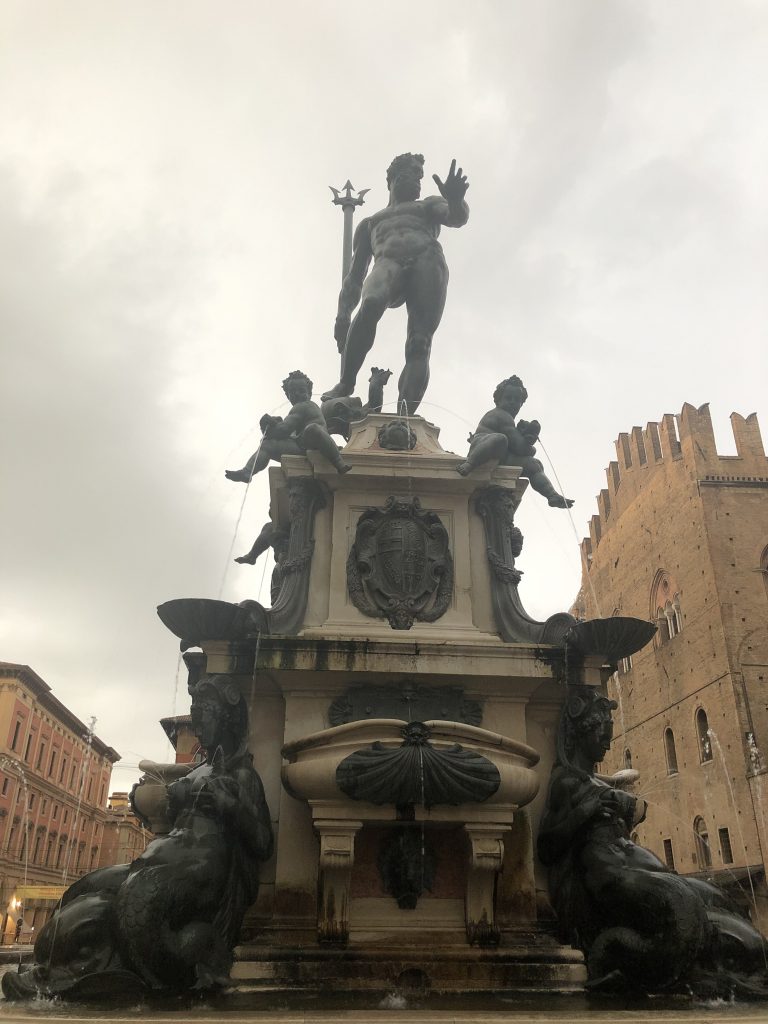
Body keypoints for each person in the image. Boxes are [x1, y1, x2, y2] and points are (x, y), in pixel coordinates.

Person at [2, 674, 273, 1000]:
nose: (198, 727)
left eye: (205, 717)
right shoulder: (200, 770)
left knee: (135, 902)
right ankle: (53, 966)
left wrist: (229, 805)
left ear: (226, 718)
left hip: (198, 873)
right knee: (85, 888)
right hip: (156, 863)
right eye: (195, 716)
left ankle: (81, 975)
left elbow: (263, 842)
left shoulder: (242, 773)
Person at [322, 153, 469, 415]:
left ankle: (405, 415)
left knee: (419, 341)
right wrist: (342, 313)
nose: (417, 182)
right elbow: (354, 277)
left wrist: (456, 200)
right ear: (393, 179)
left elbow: (455, 217)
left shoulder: (428, 205)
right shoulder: (371, 223)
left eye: (419, 178)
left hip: (427, 259)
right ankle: (346, 382)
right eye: (411, 175)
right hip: (388, 262)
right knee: (370, 302)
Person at [457, 376, 573, 508]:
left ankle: (552, 495)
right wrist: (531, 446)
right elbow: (519, 447)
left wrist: (527, 438)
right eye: (508, 398)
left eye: (517, 399)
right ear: (498, 400)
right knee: (500, 439)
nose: (512, 402)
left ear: (521, 403)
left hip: (500, 456)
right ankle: (469, 464)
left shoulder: (509, 420)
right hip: (483, 447)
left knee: (534, 464)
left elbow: (517, 446)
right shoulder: (501, 415)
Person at [226, 370, 350, 482]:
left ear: (309, 392)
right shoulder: (296, 410)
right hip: (302, 447)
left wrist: (267, 426)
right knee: (267, 444)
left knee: (312, 429)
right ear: (287, 395)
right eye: (293, 392)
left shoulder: (305, 405)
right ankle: (247, 471)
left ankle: (338, 461)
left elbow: (284, 429)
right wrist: (271, 426)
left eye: (301, 390)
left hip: (318, 443)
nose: (297, 394)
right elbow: (285, 431)